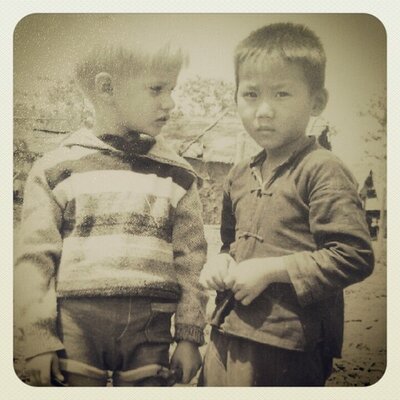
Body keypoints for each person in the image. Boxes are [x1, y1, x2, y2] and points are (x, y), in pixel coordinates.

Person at [14, 42, 208, 386]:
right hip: (76, 326)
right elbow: (35, 259)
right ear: (106, 87)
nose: (170, 103)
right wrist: (38, 339)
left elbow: (190, 262)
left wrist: (189, 337)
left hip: (150, 329)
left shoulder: (178, 175)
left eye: (172, 90)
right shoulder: (56, 168)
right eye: (156, 89)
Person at [198, 22, 374, 386]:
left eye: (281, 94)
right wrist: (221, 263)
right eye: (250, 94)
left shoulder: (322, 169)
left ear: (317, 102)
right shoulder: (238, 174)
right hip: (225, 330)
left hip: (287, 346)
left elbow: (353, 255)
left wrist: (271, 270)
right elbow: (230, 245)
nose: (263, 110)